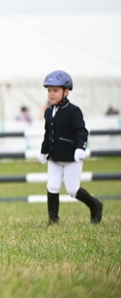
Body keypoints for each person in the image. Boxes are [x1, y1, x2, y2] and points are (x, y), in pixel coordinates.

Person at [38, 70, 103, 225]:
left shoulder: (73, 111)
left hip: (71, 157)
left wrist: (81, 148)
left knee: (72, 190)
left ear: (66, 92)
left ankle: (95, 204)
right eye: (49, 90)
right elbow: (48, 133)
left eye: (55, 90)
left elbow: (81, 131)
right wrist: (43, 151)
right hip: (54, 156)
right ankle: (53, 219)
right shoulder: (48, 111)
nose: (51, 94)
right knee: (52, 186)